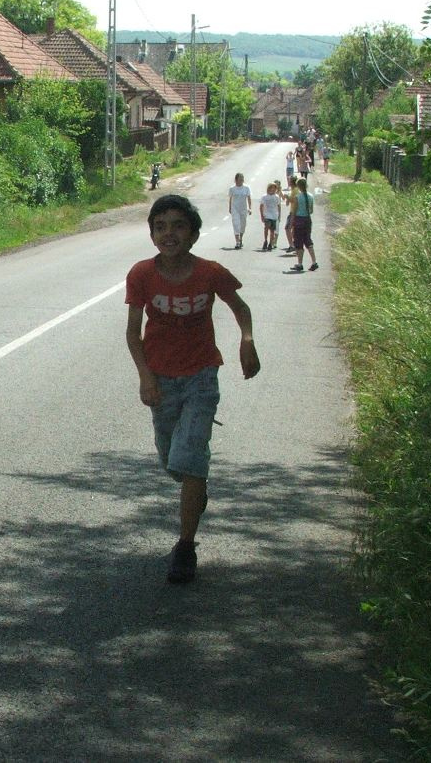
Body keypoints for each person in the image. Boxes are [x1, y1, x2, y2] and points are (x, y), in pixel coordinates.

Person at [125, 194, 260, 584]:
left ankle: (185, 546)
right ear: (152, 234)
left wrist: (246, 341)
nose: (170, 233)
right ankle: (194, 489)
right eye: (161, 226)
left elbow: (241, 308)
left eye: (179, 225)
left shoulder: (210, 272)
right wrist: (146, 377)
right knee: (173, 462)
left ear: (194, 234)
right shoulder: (142, 275)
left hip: (202, 376)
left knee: (191, 458)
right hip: (162, 380)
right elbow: (134, 334)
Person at [290, 176, 320, 272]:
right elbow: (311, 210)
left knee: (298, 242)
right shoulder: (310, 196)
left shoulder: (297, 197)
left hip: (299, 220)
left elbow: (294, 211)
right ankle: (314, 261)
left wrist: (291, 223)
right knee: (308, 240)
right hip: (307, 220)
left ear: (298, 186)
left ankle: (300, 263)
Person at [227, 172, 252, 250]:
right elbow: (230, 198)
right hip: (235, 209)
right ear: (236, 180)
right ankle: (237, 242)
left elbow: (249, 198)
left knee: (243, 225)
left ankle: (241, 238)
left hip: (243, 209)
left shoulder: (246, 188)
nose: (241, 180)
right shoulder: (232, 189)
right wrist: (230, 208)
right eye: (240, 179)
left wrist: (250, 208)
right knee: (236, 224)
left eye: (242, 179)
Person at [259, 181, 282, 252]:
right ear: (268, 189)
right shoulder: (264, 197)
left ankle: (270, 243)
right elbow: (261, 206)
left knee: (272, 230)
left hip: (274, 216)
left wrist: (279, 215)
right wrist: (262, 215)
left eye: (275, 189)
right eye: (271, 188)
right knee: (266, 228)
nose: (273, 190)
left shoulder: (277, 197)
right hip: (267, 215)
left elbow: (279, 206)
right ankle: (265, 240)